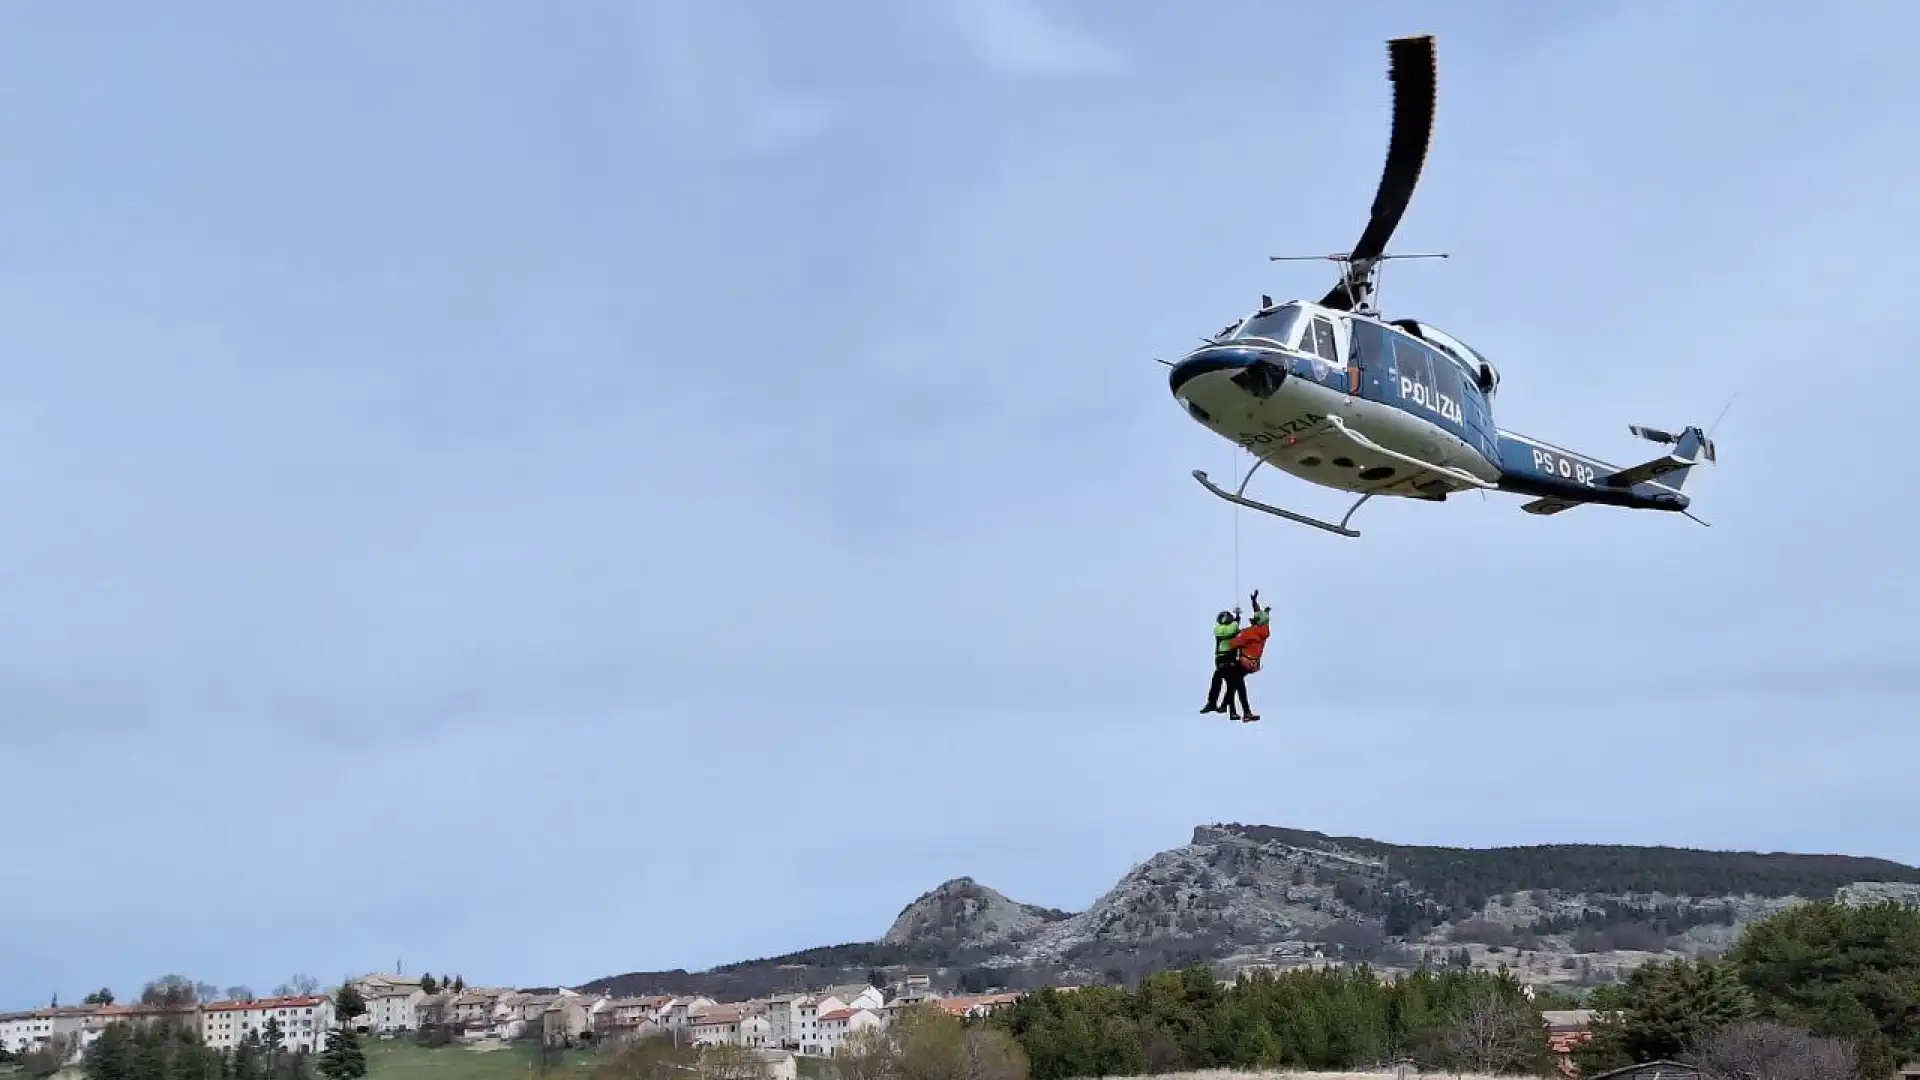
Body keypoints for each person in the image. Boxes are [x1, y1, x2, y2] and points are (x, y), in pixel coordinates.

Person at [1223, 592, 1271, 723]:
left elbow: (1232, 644)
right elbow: (1259, 614)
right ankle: (1244, 712)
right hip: (1253, 665)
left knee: (1233, 682)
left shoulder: (1249, 633)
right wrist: (1254, 602)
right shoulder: (1264, 629)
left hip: (1245, 663)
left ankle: (1236, 711)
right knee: (1236, 682)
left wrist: (1233, 627)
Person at [1201, 608, 1242, 714]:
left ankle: (1213, 703)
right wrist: (1237, 619)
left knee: (1218, 681)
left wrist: (1236, 619)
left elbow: (1233, 629)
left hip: (1221, 659)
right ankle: (1223, 705)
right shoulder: (1225, 628)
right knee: (1231, 684)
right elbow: (1233, 629)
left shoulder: (1218, 628)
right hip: (1228, 658)